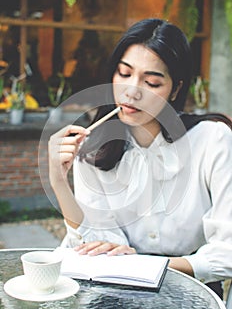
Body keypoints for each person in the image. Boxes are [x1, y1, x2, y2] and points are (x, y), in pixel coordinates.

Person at [48, 18, 232, 294]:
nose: (132, 91)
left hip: (192, 288)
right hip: (116, 285)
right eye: (124, 74)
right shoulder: (94, 147)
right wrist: (58, 181)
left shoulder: (213, 139)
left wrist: (144, 264)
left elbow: (227, 253)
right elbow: (92, 242)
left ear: (176, 89)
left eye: (152, 82)